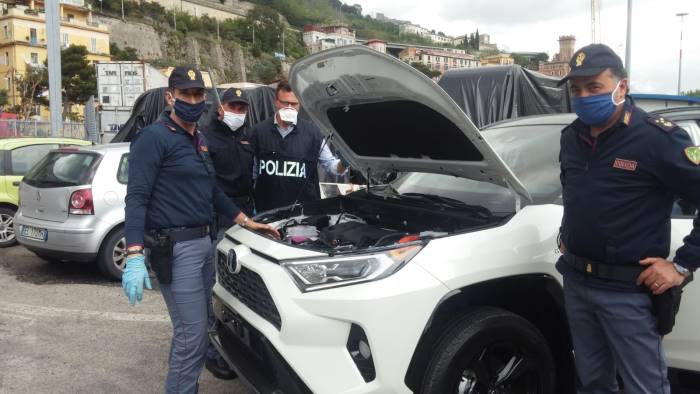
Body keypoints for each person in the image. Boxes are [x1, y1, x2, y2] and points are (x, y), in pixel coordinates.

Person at [122, 66, 279, 393]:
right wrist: (134, 253)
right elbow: (136, 198)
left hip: (204, 243)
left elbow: (212, 191)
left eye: (198, 94)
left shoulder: (198, 140)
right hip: (176, 250)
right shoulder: (154, 138)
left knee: (195, 329)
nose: (193, 100)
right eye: (186, 94)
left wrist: (246, 222)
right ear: (170, 97)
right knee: (192, 333)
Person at [557, 44, 700, 393]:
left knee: (645, 387)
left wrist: (681, 265)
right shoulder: (570, 137)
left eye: (594, 87)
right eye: (577, 90)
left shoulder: (657, 138)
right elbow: (578, 194)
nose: (584, 96)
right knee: (592, 383)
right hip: (577, 282)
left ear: (622, 86)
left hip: (628, 292)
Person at [200, 88, 255, 380]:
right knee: (214, 288)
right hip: (220, 221)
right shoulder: (206, 138)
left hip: (246, 220)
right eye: (233, 105)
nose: (238, 111)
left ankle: (237, 348)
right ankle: (213, 352)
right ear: (221, 108)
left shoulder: (246, 137)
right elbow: (209, 185)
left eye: (242, 107)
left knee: (240, 290)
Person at [251, 80, 348, 212]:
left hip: (303, 211)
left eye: (294, 104)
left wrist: (345, 162)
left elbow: (332, 167)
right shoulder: (258, 131)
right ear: (276, 102)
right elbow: (253, 171)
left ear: (300, 104)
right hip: (267, 210)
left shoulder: (313, 132)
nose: (290, 107)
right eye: (285, 103)